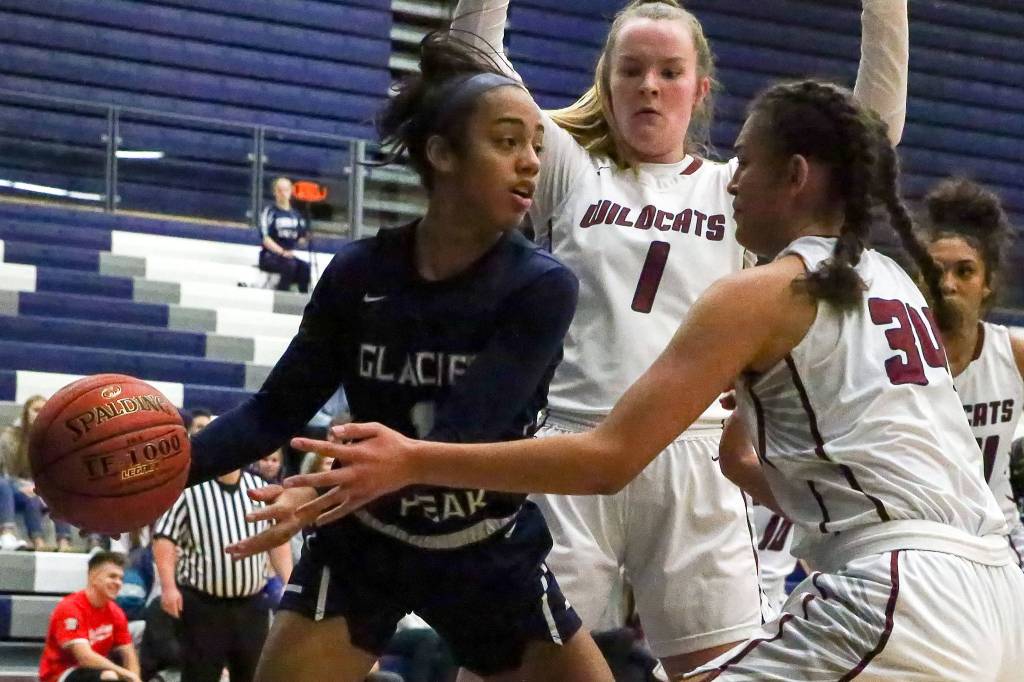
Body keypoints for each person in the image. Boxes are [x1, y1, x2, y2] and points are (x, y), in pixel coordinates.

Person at [282, 80, 1024, 679]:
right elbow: (741, 459)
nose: (734, 186)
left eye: (749, 165)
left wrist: (413, 459)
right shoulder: (890, 279)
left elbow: (607, 460)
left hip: (901, 593)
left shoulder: (763, 291)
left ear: (794, 177)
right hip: (999, 596)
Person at [439, 0, 909, 673]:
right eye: (630, 71)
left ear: (700, 88)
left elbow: (870, 138)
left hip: (695, 454)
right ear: (606, 82)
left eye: (668, 71)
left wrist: (885, 11)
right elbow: (471, 56)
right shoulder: (570, 170)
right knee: (498, 666)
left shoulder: (737, 189)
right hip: (569, 447)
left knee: (724, 672)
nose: (649, 86)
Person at [187, 33, 611, 682]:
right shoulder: (359, 273)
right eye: (506, 142)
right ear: (441, 153)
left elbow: (461, 438)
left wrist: (317, 494)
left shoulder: (541, 286)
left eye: (535, 145)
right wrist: (160, 475)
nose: (530, 162)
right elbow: (275, 411)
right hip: (366, 546)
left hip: (485, 548)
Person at [919, 177, 1024, 567]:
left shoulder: (1011, 354)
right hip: (922, 539)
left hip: (997, 541)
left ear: (988, 284)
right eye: (935, 271)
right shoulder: (887, 356)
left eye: (964, 272)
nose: (947, 284)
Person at [39, 551, 141, 682]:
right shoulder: (71, 609)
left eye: (121, 578)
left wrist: (135, 677)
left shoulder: (115, 611)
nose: (118, 583)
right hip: (61, 674)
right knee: (110, 676)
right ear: (93, 577)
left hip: (95, 670)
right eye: (112, 577)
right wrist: (125, 674)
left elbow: (128, 653)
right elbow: (84, 657)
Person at [0, 394, 74, 551]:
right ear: (26, 413)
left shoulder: (54, 441)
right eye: (36, 410)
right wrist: (22, 485)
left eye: (44, 410)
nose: (40, 414)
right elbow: (4, 471)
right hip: (11, 486)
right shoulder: (9, 436)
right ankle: (7, 533)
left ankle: (62, 542)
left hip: (39, 490)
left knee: (54, 497)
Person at [259, 177, 312, 293]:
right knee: (290, 266)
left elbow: (300, 239)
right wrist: (282, 252)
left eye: (286, 190)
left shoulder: (296, 215)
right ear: (275, 192)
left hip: (289, 256)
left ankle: (305, 300)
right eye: (280, 190)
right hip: (270, 256)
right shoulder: (270, 212)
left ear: (291, 191)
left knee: (305, 267)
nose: (283, 193)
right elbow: (265, 238)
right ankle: (282, 296)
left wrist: (307, 237)